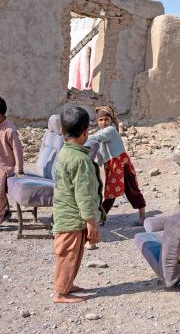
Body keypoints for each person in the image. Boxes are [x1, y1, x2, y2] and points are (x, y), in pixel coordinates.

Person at [52, 106, 103, 303]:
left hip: (66, 213)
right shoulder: (81, 159)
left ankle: (66, 285)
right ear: (85, 133)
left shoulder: (65, 151)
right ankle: (60, 293)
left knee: (72, 255)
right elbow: (84, 195)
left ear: (63, 132)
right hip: (72, 218)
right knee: (68, 256)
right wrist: (91, 221)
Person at [89, 106, 146, 226]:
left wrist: (79, 138)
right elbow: (98, 148)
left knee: (131, 190)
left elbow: (95, 139)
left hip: (121, 165)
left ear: (111, 120)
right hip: (113, 166)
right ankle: (101, 218)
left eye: (106, 119)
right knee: (111, 192)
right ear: (97, 121)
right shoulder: (101, 131)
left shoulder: (110, 130)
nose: (103, 122)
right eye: (100, 120)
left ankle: (142, 216)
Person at [0, 97, 24, 224]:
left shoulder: (9, 130)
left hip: (5, 167)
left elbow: (18, 151)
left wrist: (20, 170)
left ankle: (2, 214)